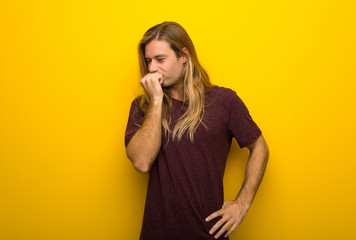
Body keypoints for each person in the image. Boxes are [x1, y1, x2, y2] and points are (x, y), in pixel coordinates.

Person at [125, 21, 269, 240]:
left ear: (184, 55)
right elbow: (142, 162)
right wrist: (155, 101)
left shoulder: (224, 101)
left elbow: (259, 146)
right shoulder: (143, 107)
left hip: (208, 233)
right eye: (148, 61)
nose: (152, 68)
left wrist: (242, 203)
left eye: (160, 59)